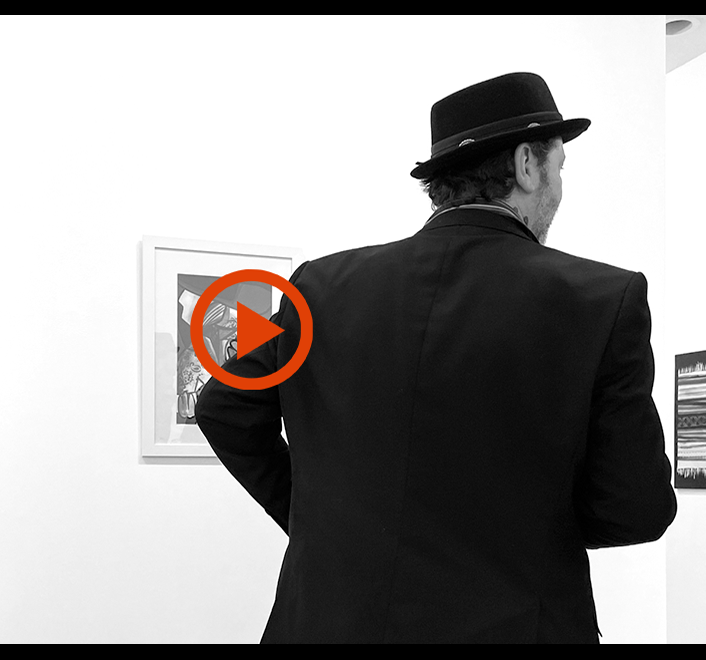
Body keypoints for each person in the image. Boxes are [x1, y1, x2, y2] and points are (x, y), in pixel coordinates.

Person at [194, 72, 677, 643]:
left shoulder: (321, 287)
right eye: (560, 167)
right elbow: (637, 509)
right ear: (526, 164)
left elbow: (224, 408)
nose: (559, 188)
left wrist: (316, 521)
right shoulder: (602, 299)